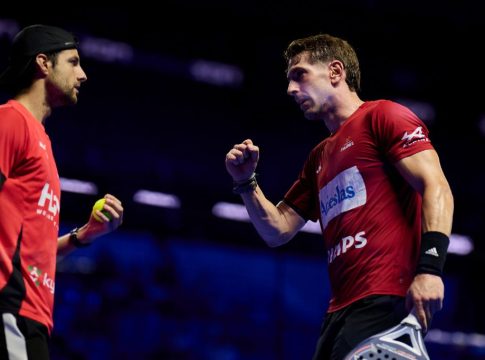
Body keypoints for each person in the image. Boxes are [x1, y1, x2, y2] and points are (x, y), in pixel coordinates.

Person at [225, 34, 453, 359]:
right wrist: (246, 182)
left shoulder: (384, 116)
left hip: (387, 299)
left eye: (299, 75)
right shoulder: (319, 157)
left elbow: (437, 186)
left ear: (335, 72)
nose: (291, 90)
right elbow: (276, 230)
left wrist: (431, 269)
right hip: (338, 313)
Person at [0, 24, 124, 359]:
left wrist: (86, 234)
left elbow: (33, 251)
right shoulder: (10, 121)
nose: (82, 75)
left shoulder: (42, 143)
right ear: (43, 63)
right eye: (73, 62)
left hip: (31, 318)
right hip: (11, 311)